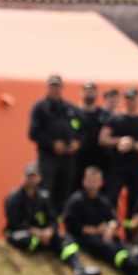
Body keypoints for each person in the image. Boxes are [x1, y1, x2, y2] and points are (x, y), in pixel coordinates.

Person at [4, 162, 99, 275]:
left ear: (39, 178)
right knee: (23, 238)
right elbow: (13, 223)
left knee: (66, 238)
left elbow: (53, 219)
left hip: (45, 236)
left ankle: (78, 268)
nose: (32, 179)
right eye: (29, 176)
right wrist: (36, 232)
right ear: (23, 177)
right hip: (25, 234)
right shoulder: (14, 197)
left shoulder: (44, 197)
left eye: (34, 176)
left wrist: (49, 231)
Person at [63, 166, 138, 275]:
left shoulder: (102, 201)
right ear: (84, 182)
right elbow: (71, 226)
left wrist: (110, 227)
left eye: (95, 181)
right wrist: (97, 230)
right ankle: (133, 267)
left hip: (102, 236)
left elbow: (115, 219)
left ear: (101, 183)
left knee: (118, 245)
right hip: (84, 238)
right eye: (90, 181)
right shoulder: (76, 200)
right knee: (109, 248)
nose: (93, 185)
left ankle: (137, 271)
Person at [28, 75, 83, 211]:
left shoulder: (70, 108)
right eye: (52, 86)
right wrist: (52, 144)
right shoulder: (40, 108)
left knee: (65, 190)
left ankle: (59, 224)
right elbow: (33, 133)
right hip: (48, 157)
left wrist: (77, 142)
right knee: (46, 190)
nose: (54, 89)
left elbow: (81, 128)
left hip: (68, 157)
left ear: (62, 88)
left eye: (57, 86)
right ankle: (45, 221)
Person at [100, 87, 138, 225]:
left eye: (132, 99)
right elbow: (103, 138)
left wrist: (133, 145)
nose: (130, 102)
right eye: (127, 98)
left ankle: (131, 231)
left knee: (135, 199)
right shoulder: (115, 119)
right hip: (117, 167)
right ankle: (111, 228)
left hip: (135, 167)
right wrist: (119, 141)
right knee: (112, 197)